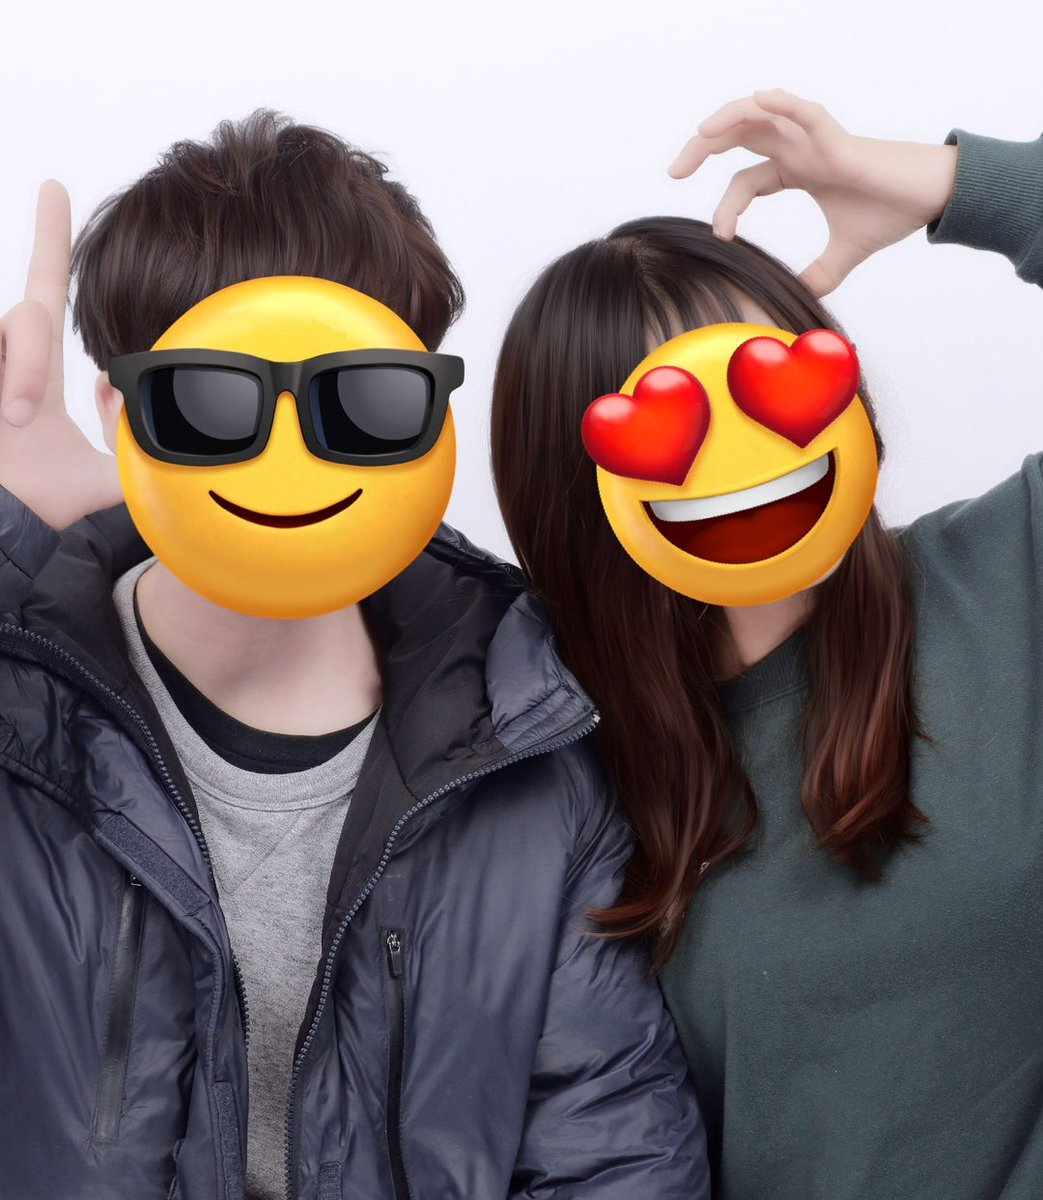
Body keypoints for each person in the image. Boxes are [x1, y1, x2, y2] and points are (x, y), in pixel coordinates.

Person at [0, 112, 708, 1199]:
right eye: (210, 400)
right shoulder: (19, 709)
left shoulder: (528, 738)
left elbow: (610, 1155)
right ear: (118, 410)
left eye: (364, 401)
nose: (287, 458)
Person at [491, 88, 1043, 1199]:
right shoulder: (546, 758)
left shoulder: (1009, 565)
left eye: (768, 381)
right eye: (673, 418)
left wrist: (944, 182)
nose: (743, 454)